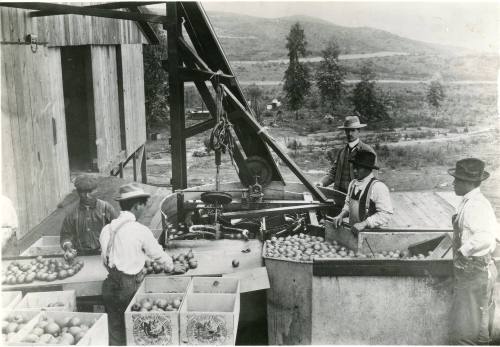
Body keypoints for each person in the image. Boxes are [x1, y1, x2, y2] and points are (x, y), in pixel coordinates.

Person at [100, 183, 174, 345]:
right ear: (136, 206)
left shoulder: (106, 229)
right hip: (129, 288)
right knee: (137, 331)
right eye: (143, 205)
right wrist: (171, 266)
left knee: (115, 329)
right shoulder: (139, 230)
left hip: (110, 285)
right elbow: (158, 254)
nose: (145, 209)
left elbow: (106, 259)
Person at [447, 158, 498, 344]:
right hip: (471, 272)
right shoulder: (469, 201)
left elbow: (485, 237)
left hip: (474, 271)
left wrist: (462, 251)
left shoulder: (476, 205)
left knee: (468, 330)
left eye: (457, 180)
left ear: (469, 183)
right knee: (473, 326)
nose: (454, 183)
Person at [330, 150, 393, 234]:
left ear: (368, 168)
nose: (355, 171)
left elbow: (385, 214)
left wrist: (365, 223)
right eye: (354, 167)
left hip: (371, 234)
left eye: (359, 168)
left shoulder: (378, 187)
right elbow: (348, 204)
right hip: (354, 232)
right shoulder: (352, 184)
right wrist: (341, 215)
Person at [60, 175, 117, 258]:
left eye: (90, 191)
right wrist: (68, 247)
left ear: (96, 190)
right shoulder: (71, 212)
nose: (86, 195)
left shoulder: (106, 208)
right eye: (82, 192)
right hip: (80, 255)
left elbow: (118, 231)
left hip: (103, 254)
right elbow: (65, 236)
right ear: (78, 192)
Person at [318, 115, 377, 194]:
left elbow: (372, 178)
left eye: (352, 130)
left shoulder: (367, 151)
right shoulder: (342, 152)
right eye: (347, 130)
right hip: (338, 195)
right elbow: (333, 173)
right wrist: (321, 183)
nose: (349, 134)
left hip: (356, 196)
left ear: (358, 130)